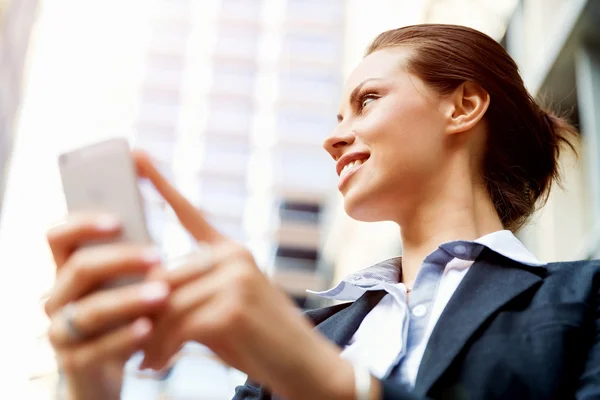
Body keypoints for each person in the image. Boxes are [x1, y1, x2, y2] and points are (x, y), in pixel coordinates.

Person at [44, 24, 600, 400]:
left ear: (462, 105)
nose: (334, 139)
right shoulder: (307, 335)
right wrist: (88, 385)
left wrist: (336, 387)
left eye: (367, 101)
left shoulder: (585, 299)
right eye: (337, 115)